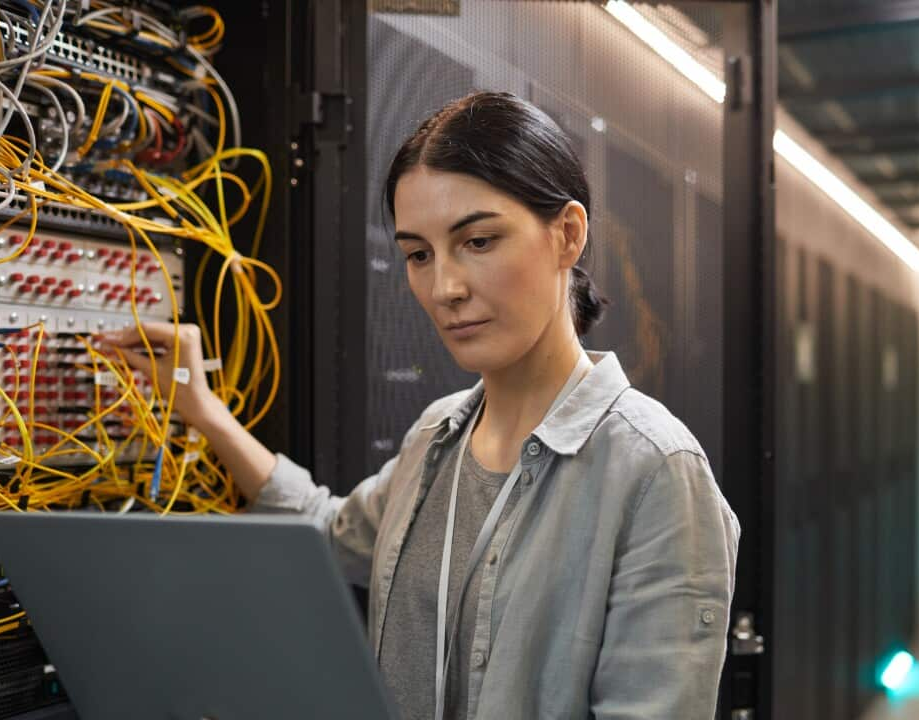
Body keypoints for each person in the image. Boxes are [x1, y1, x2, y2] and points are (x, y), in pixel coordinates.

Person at [95, 91, 739, 720]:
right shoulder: (439, 436)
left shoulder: (654, 469)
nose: (444, 288)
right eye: (418, 255)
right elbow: (330, 532)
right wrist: (203, 411)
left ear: (567, 235)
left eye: (479, 241)